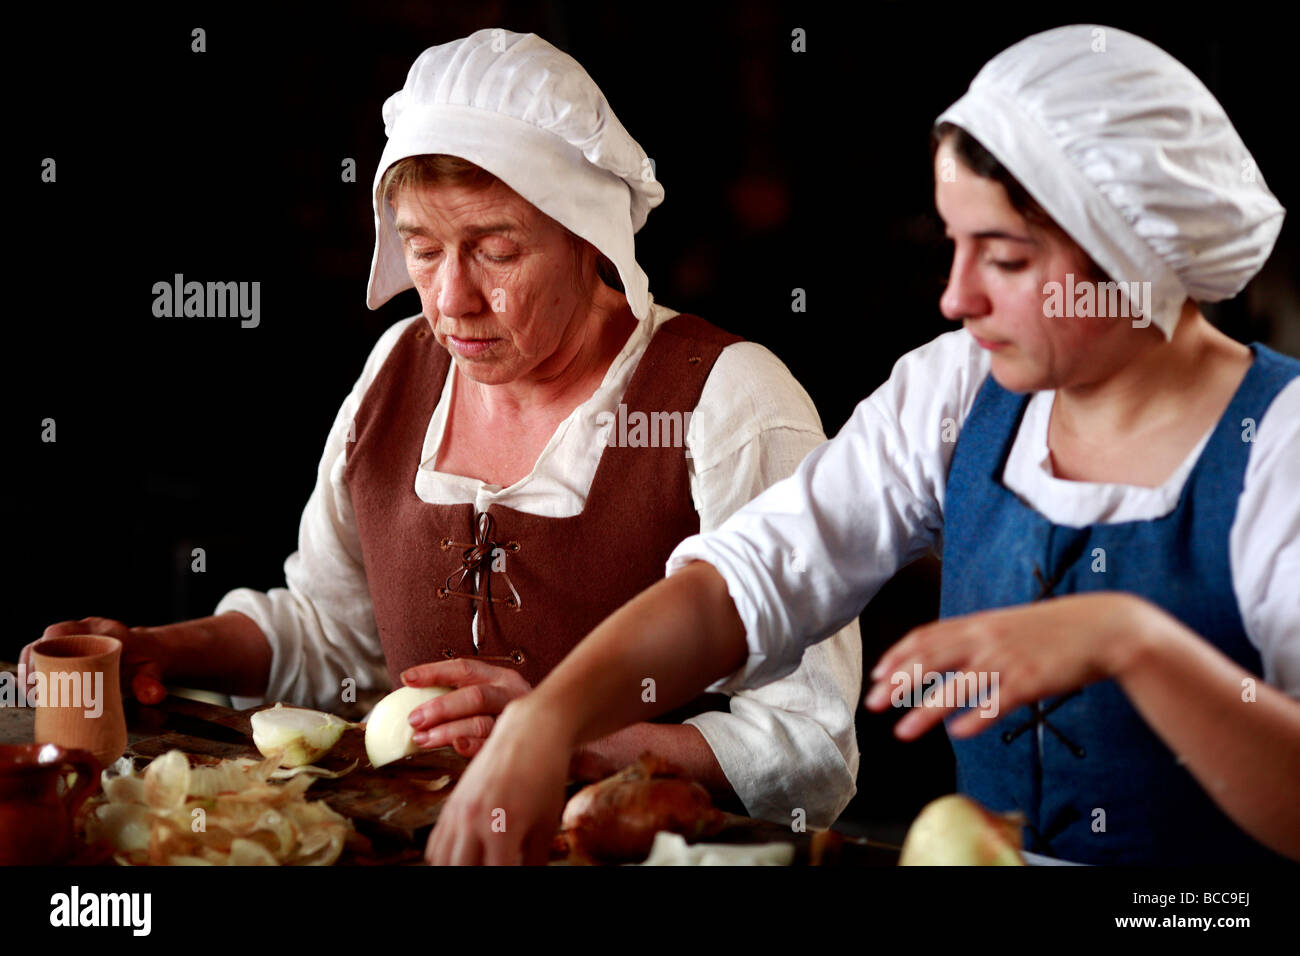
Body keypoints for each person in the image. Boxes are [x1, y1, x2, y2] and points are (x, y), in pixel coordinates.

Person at [427, 24, 1300, 865]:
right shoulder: (957, 393)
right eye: (953, 244)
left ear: (1132, 251)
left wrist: (1131, 642)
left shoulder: (1278, 448)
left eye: (1003, 258)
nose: (957, 297)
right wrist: (551, 722)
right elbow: (744, 584)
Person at [24, 29, 861, 827]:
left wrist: (565, 740)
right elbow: (335, 635)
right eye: (423, 249)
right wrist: (160, 648)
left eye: (495, 251)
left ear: (587, 238)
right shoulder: (399, 370)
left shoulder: (730, 401)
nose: (452, 301)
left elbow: (807, 743)